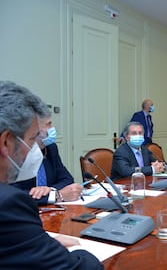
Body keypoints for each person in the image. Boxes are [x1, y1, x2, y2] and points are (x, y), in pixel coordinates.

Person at [0, 81, 102, 268]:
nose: (35, 150)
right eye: (32, 139)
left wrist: (39, 242)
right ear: (6, 142)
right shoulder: (8, 204)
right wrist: (80, 249)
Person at [11, 113, 82, 205]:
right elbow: (13, 195)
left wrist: (50, 189)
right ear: (34, 128)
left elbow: (67, 179)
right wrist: (57, 195)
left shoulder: (51, 148)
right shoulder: (14, 154)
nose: (52, 128)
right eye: (48, 124)